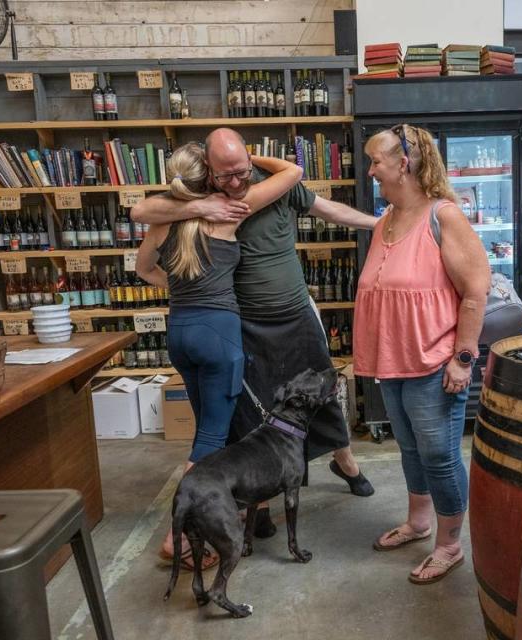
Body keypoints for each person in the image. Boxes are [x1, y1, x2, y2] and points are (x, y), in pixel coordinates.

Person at [132, 128, 378, 527]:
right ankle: (259, 500)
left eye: (241, 171)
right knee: (251, 414)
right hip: (245, 323)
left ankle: (345, 463)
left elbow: (328, 209)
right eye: (225, 176)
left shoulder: (264, 190)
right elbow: (142, 212)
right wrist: (200, 208)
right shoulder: (210, 205)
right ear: (207, 173)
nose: (235, 183)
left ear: (250, 160)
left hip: (296, 313)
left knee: (323, 397)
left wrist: (378, 224)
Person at [135, 142, 304, 569]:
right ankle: (179, 537)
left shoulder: (162, 220)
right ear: (208, 177)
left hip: (181, 332)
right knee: (208, 444)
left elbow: (142, 268)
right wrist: (251, 157)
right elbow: (292, 173)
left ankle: (228, 508)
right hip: (219, 336)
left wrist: (179, 286)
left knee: (207, 431)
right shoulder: (232, 209)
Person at [353, 124, 489, 584]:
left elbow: (475, 289)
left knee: (440, 455)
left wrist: (463, 357)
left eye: (376, 161)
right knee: (409, 448)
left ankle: (450, 546)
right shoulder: (386, 221)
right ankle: (418, 523)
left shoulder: (443, 216)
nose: (371, 170)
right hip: (392, 361)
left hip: (435, 362)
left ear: (403, 164)